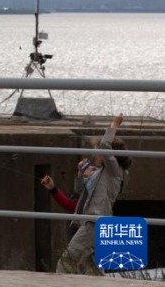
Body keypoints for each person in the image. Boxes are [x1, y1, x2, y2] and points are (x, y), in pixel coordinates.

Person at [56, 114, 132, 275]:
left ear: (110, 155)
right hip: (90, 221)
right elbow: (79, 192)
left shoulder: (114, 171)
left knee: (66, 261)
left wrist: (114, 124)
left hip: (95, 222)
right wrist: (80, 173)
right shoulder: (101, 173)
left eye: (98, 151)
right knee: (91, 267)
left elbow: (105, 144)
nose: (94, 154)